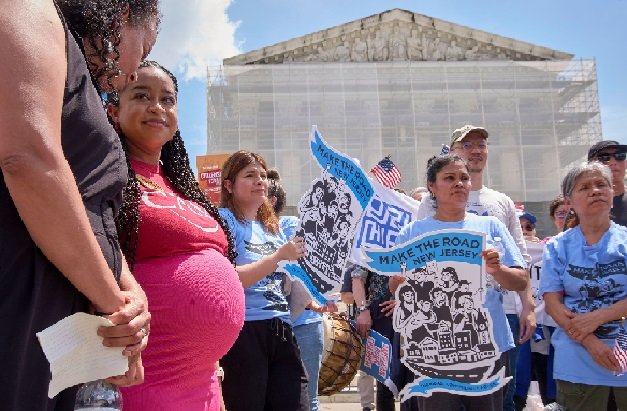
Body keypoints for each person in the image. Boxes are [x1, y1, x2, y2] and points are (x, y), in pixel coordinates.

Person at [0, 1, 159, 409]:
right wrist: (114, 305)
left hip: (52, 334)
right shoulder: (30, 8)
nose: (134, 73)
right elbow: (28, 160)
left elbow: (91, 207)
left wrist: (130, 292)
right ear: (123, 13)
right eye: (143, 50)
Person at [107, 61, 245, 410]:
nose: (157, 107)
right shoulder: (106, 181)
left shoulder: (183, 187)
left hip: (203, 382)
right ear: (113, 111)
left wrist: (214, 368)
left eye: (167, 99)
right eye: (142, 96)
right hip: (141, 377)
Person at [415, 125, 536, 411]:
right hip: (447, 323)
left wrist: (528, 306)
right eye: (467, 145)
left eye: (481, 144)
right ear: (452, 151)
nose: (476, 150)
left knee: (500, 398)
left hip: (501, 314)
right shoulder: (430, 205)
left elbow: (521, 260)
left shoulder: (501, 203)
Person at [218, 151, 309, 410]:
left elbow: (284, 279)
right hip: (244, 331)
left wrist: (313, 294)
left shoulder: (272, 228)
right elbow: (226, 280)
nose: (260, 180)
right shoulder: (223, 221)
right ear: (229, 185)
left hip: (281, 328)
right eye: (249, 175)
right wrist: (278, 257)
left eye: (262, 175)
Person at [540, 161, 627, 411]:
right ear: (569, 202)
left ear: (612, 193)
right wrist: (591, 342)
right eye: (585, 187)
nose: (595, 191)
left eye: (601, 185)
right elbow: (553, 303)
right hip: (577, 363)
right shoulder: (557, 247)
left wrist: (599, 317)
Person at [267, 168, 326, 411]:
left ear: (272, 201)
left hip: (304, 325)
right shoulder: (247, 230)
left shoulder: (291, 225)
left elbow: (302, 264)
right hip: (271, 328)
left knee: (307, 398)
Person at [513, 210, 557, 409]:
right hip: (518, 320)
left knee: (546, 372)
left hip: (546, 321)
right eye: (519, 227)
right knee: (519, 373)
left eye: (528, 227)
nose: (524, 231)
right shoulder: (506, 252)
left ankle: (550, 402)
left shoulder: (549, 251)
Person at [352, 263, 400, 411]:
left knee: (411, 379)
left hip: (411, 311)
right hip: (381, 313)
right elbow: (357, 278)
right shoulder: (368, 250)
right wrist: (363, 310)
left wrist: (404, 301)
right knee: (385, 382)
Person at [587, 140, 627, 227]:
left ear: (626, 163)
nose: (613, 162)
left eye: (620, 155)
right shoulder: (581, 207)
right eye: (604, 158)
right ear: (590, 167)